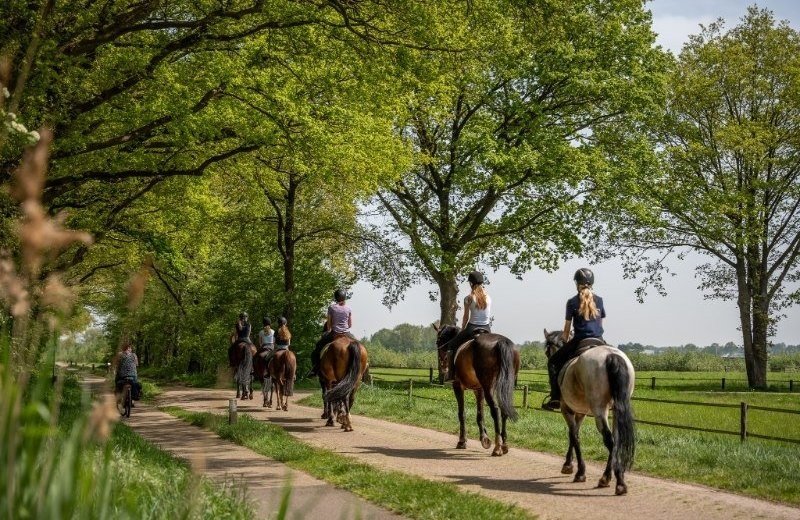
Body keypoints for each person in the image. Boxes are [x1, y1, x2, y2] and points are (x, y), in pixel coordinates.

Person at [542, 267, 606, 411]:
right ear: (592, 283)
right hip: (599, 339)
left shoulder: (571, 302)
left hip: (579, 340)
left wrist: (565, 340)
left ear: (577, 284)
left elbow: (566, 332)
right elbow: (600, 325)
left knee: (552, 362)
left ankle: (555, 398)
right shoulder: (600, 300)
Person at [442, 271, 492, 382]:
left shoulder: (468, 298)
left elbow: (465, 317)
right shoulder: (489, 298)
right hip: (487, 329)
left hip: (472, 328)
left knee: (451, 345)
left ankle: (450, 374)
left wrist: (463, 328)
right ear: (481, 283)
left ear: (471, 283)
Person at [308, 288, 354, 377]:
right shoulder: (349, 308)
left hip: (334, 333)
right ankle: (363, 369)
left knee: (317, 349)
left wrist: (329, 330)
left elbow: (329, 324)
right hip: (347, 333)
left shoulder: (332, 307)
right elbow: (350, 324)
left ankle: (315, 369)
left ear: (335, 298)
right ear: (344, 298)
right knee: (358, 345)